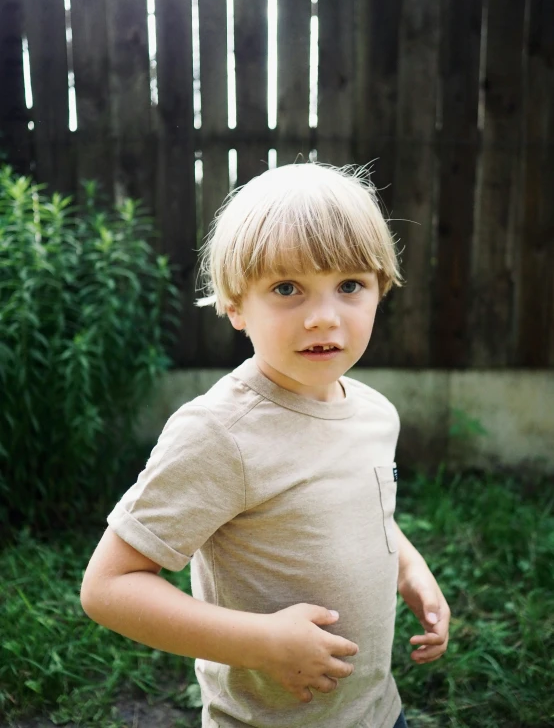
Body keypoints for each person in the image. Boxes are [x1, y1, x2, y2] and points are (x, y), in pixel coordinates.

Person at [81, 162, 450, 728]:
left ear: (382, 288)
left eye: (350, 285)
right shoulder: (220, 433)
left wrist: (411, 570)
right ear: (235, 305)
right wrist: (262, 642)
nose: (323, 317)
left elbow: (363, 509)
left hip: (376, 712)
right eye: (287, 289)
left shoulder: (376, 412)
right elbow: (109, 587)